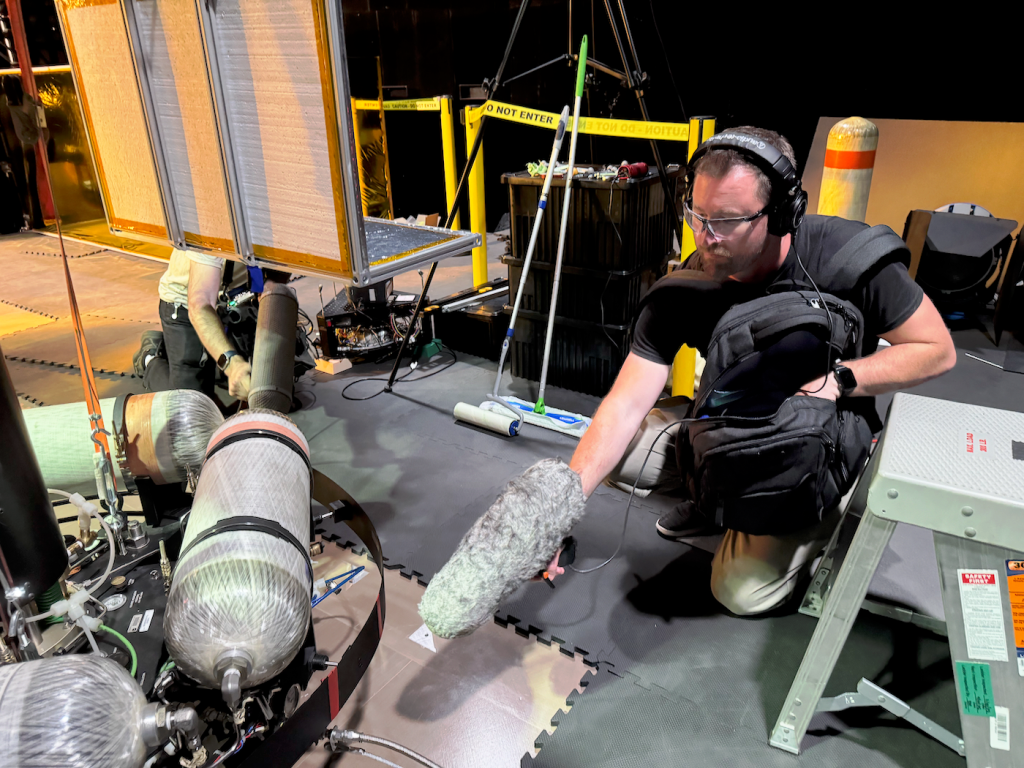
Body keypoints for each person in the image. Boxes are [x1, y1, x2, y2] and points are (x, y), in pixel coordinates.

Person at [549, 126, 956, 615]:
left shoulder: (847, 258)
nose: (707, 237)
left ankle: (826, 511)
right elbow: (624, 404)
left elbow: (937, 349)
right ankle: (719, 502)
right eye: (699, 216)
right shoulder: (693, 277)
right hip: (728, 427)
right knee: (617, 455)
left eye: (727, 220)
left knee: (739, 594)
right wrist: (558, 514)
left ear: (782, 213)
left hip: (811, 443)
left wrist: (842, 380)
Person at [135, 248, 252, 402]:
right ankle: (149, 359)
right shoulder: (213, 227)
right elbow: (199, 304)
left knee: (272, 385)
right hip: (187, 306)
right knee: (190, 407)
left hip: (233, 299)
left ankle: (212, 363)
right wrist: (233, 365)